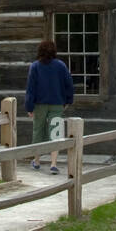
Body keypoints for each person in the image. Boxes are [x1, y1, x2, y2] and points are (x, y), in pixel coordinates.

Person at [24, 39, 74, 174]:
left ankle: (37, 161)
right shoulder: (61, 66)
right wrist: (69, 100)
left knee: (38, 131)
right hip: (57, 104)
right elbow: (69, 84)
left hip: (39, 105)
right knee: (55, 132)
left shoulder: (35, 66)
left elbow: (31, 89)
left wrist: (29, 107)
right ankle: (53, 164)